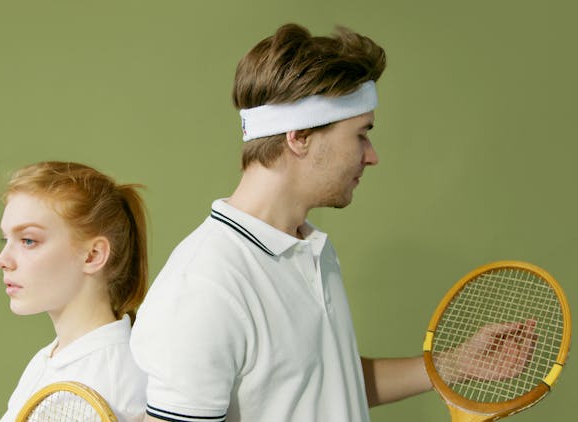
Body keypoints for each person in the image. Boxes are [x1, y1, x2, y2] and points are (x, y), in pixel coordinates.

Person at [129, 24, 535, 422]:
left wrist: (452, 364)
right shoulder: (205, 286)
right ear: (300, 136)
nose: (371, 155)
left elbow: (322, 381)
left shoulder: (310, 249)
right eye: (361, 134)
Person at [0, 161, 148, 422]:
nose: (1, 260)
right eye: (5, 240)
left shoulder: (113, 377)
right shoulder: (49, 359)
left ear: (93, 255)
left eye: (28, 240)